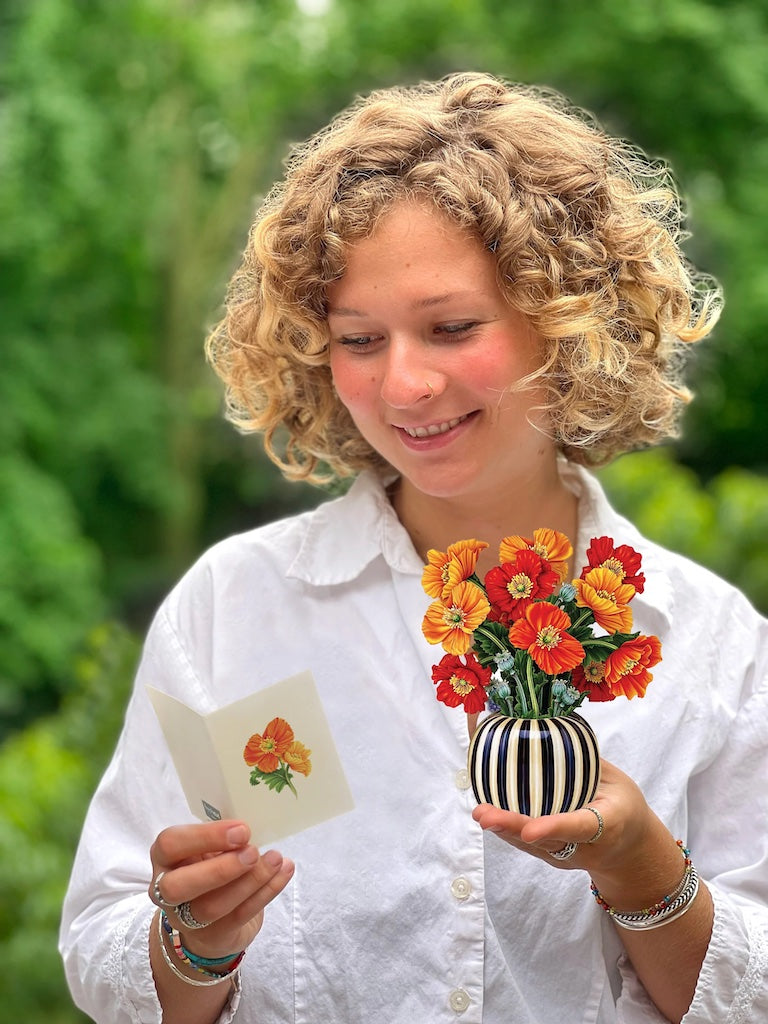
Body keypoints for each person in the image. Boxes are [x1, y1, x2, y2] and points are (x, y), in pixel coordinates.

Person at [60, 72, 768, 1024]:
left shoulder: (710, 642)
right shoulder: (235, 608)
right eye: (358, 339)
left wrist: (645, 872)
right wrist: (192, 941)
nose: (404, 385)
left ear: (566, 320)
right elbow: (103, 952)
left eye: (452, 328)